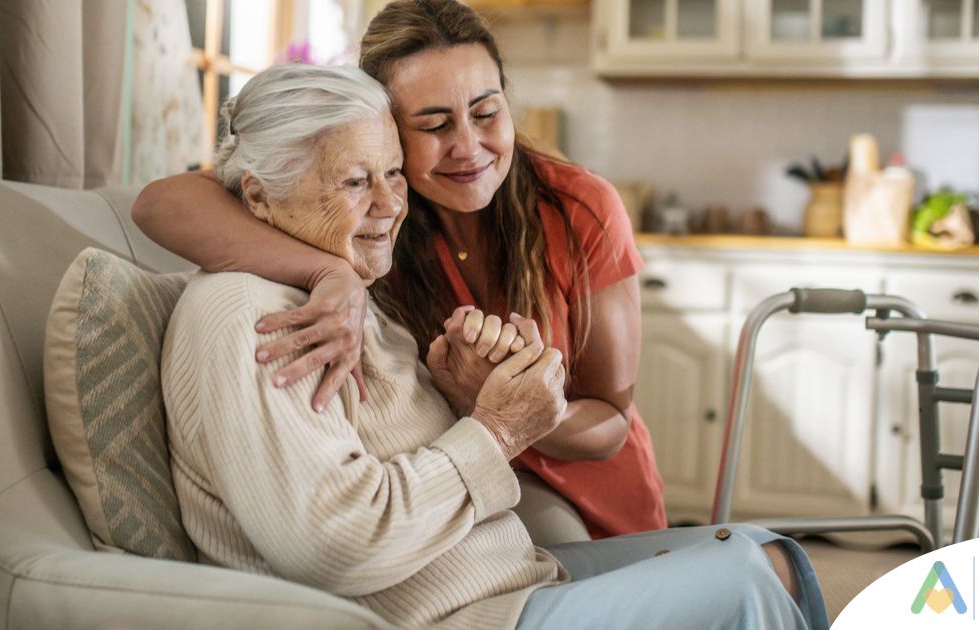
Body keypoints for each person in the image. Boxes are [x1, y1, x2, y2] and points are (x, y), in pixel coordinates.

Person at [162, 62, 827, 629]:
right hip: (461, 617)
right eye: (355, 182)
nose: (391, 205)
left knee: (768, 553)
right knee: (744, 578)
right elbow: (335, 543)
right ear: (259, 197)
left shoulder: (340, 289)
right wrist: (498, 427)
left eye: (392, 173)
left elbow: (400, 449)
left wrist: (468, 391)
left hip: (508, 580)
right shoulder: (253, 319)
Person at [134, 0, 663, 542]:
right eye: (433, 124)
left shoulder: (578, 207)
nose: (468, 148)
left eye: (486, 113)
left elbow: (611, 423)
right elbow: (160, 204)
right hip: (464, 492)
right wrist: (331, 274)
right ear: (386, 127)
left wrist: (511, 406)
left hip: (597, 501)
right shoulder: (376, 220)